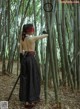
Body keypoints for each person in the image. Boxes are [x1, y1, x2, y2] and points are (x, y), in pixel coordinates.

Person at [19, 23, 48, 108]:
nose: (33, 30)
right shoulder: (32, 38)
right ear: (28, 30)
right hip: (31, 60)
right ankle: (31, 101)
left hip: (24, 60)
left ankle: (26, 100)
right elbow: (46, 35)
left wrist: (22, 63)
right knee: (33, 78)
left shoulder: (22, 39)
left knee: (25, 79)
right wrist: (45, 32)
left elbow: (21, 52)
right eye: (32, 29)